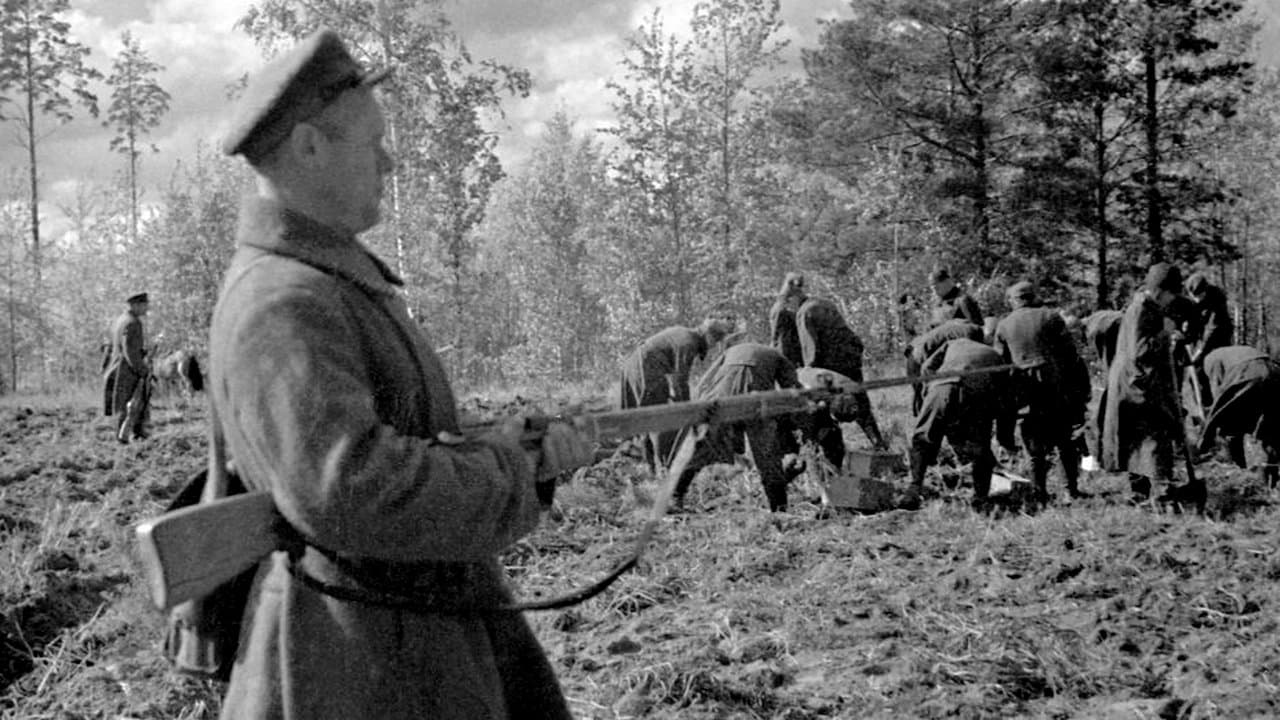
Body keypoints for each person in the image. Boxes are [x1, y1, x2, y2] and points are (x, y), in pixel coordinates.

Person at [211, 29, 590, 720]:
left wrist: (510, 450)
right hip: (353, 665)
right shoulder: (283, 302)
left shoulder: (328, 284)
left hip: (399, 640)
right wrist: (509, 468)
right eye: (372, 142)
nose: (388, 160)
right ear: (309, 147)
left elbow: (400, 436)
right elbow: (353, 490)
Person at [1101, 262, 1198, 504]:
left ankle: (1141, 493)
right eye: (1171, 295)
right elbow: (1140, 352)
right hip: (1136, 383)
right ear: (1161, 291)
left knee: (1140, 437)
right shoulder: (1141, 309)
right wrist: (1165, 333)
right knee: (1155, 435)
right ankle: (1161, 492)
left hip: (1138, 380)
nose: (1172, 301)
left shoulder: (1148, 306)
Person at [672, 340, 804, 512]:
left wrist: (702, 406)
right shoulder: (778, 356)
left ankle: (675, 497)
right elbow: (793, 392)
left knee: (703, 448)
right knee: (767, 455)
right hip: (756, 399)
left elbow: (706, 379)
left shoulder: (731, 350)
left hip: (722, 396)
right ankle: (779, 509)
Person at [992, 281, 1091, 501]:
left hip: (1026, 392)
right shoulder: (1051, 316)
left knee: (1034, 446)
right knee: (1064, 441)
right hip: (1056, 388)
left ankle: (1039, 493)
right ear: (1033, 297)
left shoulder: (1004, 325)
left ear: (1013, 301)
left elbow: (1001, 365)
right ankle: (1070, 491)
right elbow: (1071, 356)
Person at [907, 336, 1014, 510]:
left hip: (942, 386)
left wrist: (928, 395)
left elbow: (926, 367)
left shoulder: (954, 343)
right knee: (981, 447)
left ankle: (914, 488)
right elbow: (1005, 401)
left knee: (922, 439)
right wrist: (1004, 438)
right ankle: (980, 498)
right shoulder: (996, 356)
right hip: (977, 391)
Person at [619, 317, 734, 473]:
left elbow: (676, 380)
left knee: (647, 418)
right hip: (645, 367)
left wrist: (681, 401)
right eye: (715, 340)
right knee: (659, 419)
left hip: (634, 365)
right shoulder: (689, 343)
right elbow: (680, 379)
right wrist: (687, 408)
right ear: (709, 336)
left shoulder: (685, 334)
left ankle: (650, 466)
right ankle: (663, 467)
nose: (714, 346)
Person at [794, 297, 887, 464]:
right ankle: (878, 444)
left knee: (824, 411)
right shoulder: (825, 303)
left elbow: (810, 348)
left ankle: (830, 457)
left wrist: (810, 372)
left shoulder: (804, 312)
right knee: (860, 402)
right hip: (850, 356)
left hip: (832, 364)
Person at [1196, 345, 1280, 487]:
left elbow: (1219, 397)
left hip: (1248, 372)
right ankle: (1269, 481)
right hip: (1275, 371)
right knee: (1271, 427)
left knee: (1227, 423)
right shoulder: (1229, 352)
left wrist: (1205, 439)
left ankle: (1236, 470)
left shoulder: (1209, 361)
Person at [904, 319, 984, 415]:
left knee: (922, 393)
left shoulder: (963, 325)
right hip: (919, 356)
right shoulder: (973, 334)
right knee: (926, 394)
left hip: (914, 352)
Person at [1184, 272, 1234, 416]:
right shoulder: (1193, 300)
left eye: (1199, 296)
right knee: (1196, 377)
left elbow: (1212, 329)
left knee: (1216, 376)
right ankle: (1205, 410)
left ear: (1205, 291)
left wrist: (1199, 352)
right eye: (1193, 296)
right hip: (1200, 339)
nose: (1196, 300)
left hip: (1218, 343)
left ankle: (1219, 411)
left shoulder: (1217, 299)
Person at [103, 292, 151, 443]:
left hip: (119, 367)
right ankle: (126, 437)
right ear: (135, 305)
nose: (147, 307)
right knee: (132, 404)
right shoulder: (133, 323)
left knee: (124, 404)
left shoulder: (121, 320)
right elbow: (129, 351)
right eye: (144, 305)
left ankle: (131, 434)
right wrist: (142, 369)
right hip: (127, 370)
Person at [769, 272, 807, 366]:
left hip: (793, 345)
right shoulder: (781, 308)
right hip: (785, 346)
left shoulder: (797, 298)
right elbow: (776, 333)